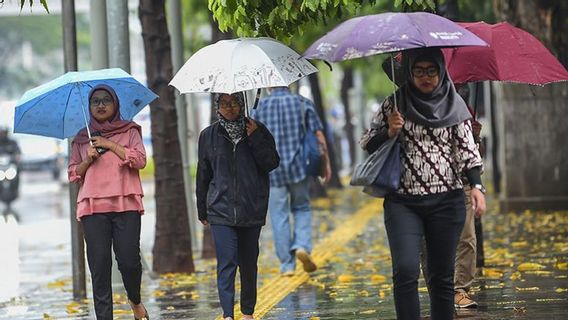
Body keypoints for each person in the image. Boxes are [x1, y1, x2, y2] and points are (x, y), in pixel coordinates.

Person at [360, 48, 486, 320]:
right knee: (405, 271)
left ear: (440, 71)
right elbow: (368, 143)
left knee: (441, 277)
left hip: (446, 201)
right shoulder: (393, 104)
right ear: (410, 72)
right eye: (419, 71)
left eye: (431, 71)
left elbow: (468, 151)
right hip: (403, 202)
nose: (425, 77)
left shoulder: (455, 105)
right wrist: (389, 131)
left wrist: (476, 187)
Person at [68, 85, 149, 320]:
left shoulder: (130, 131)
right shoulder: (82, 138)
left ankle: (135, 300)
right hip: (92, 207)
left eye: (106, 100)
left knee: (129, 262)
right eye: (95, 102)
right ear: (90, 107)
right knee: (99, 268)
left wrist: (110, 144)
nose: (101, 105)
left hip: (126, 205)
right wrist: (87, 159)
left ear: (115, 104)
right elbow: (73, 174)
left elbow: (140, 160)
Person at [196, 92, 280, 320]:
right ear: (217, 107)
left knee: (248, 263)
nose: (230, 108)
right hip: (220, 209)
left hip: (251, 207)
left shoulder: (258, 130)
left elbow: (271, 163)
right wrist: (202, 209)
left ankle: (248, 312)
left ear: (242, 104)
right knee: (227, 262)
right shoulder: (208, 135)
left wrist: (254, 138)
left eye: (234, 103)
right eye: (224, 103)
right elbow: (203, 174)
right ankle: (227, 314)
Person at [251, 86, 332, 276]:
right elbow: (319, 136)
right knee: (301, 207)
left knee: (279, 216)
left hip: (272, 170)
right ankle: (302, 245)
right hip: (299, 168)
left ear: (269, 84)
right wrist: (326, 164)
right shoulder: (303, 103)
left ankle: (287, 265)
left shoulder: (259, 108)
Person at [453, 84, 484, 308]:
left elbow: (472, 154)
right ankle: (442, 289)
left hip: (463, 181)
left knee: (467, 238)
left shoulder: (464, 107)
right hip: (430, 187)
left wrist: (474, 136)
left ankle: (460, 289)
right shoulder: (410, 103)